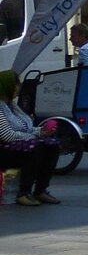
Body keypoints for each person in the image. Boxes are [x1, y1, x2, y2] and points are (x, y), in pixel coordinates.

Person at [0, 70, 61, 206]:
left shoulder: (12, 106)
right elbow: (7, 135)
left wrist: (42, 132)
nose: (18, 89)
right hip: (3, 150)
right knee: (35, 148)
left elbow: (26, 128)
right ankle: (24, 193)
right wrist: (33, 137)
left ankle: (41, 190)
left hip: (16, 145)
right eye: (16, 86)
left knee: (51, 145)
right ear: (8, 86)